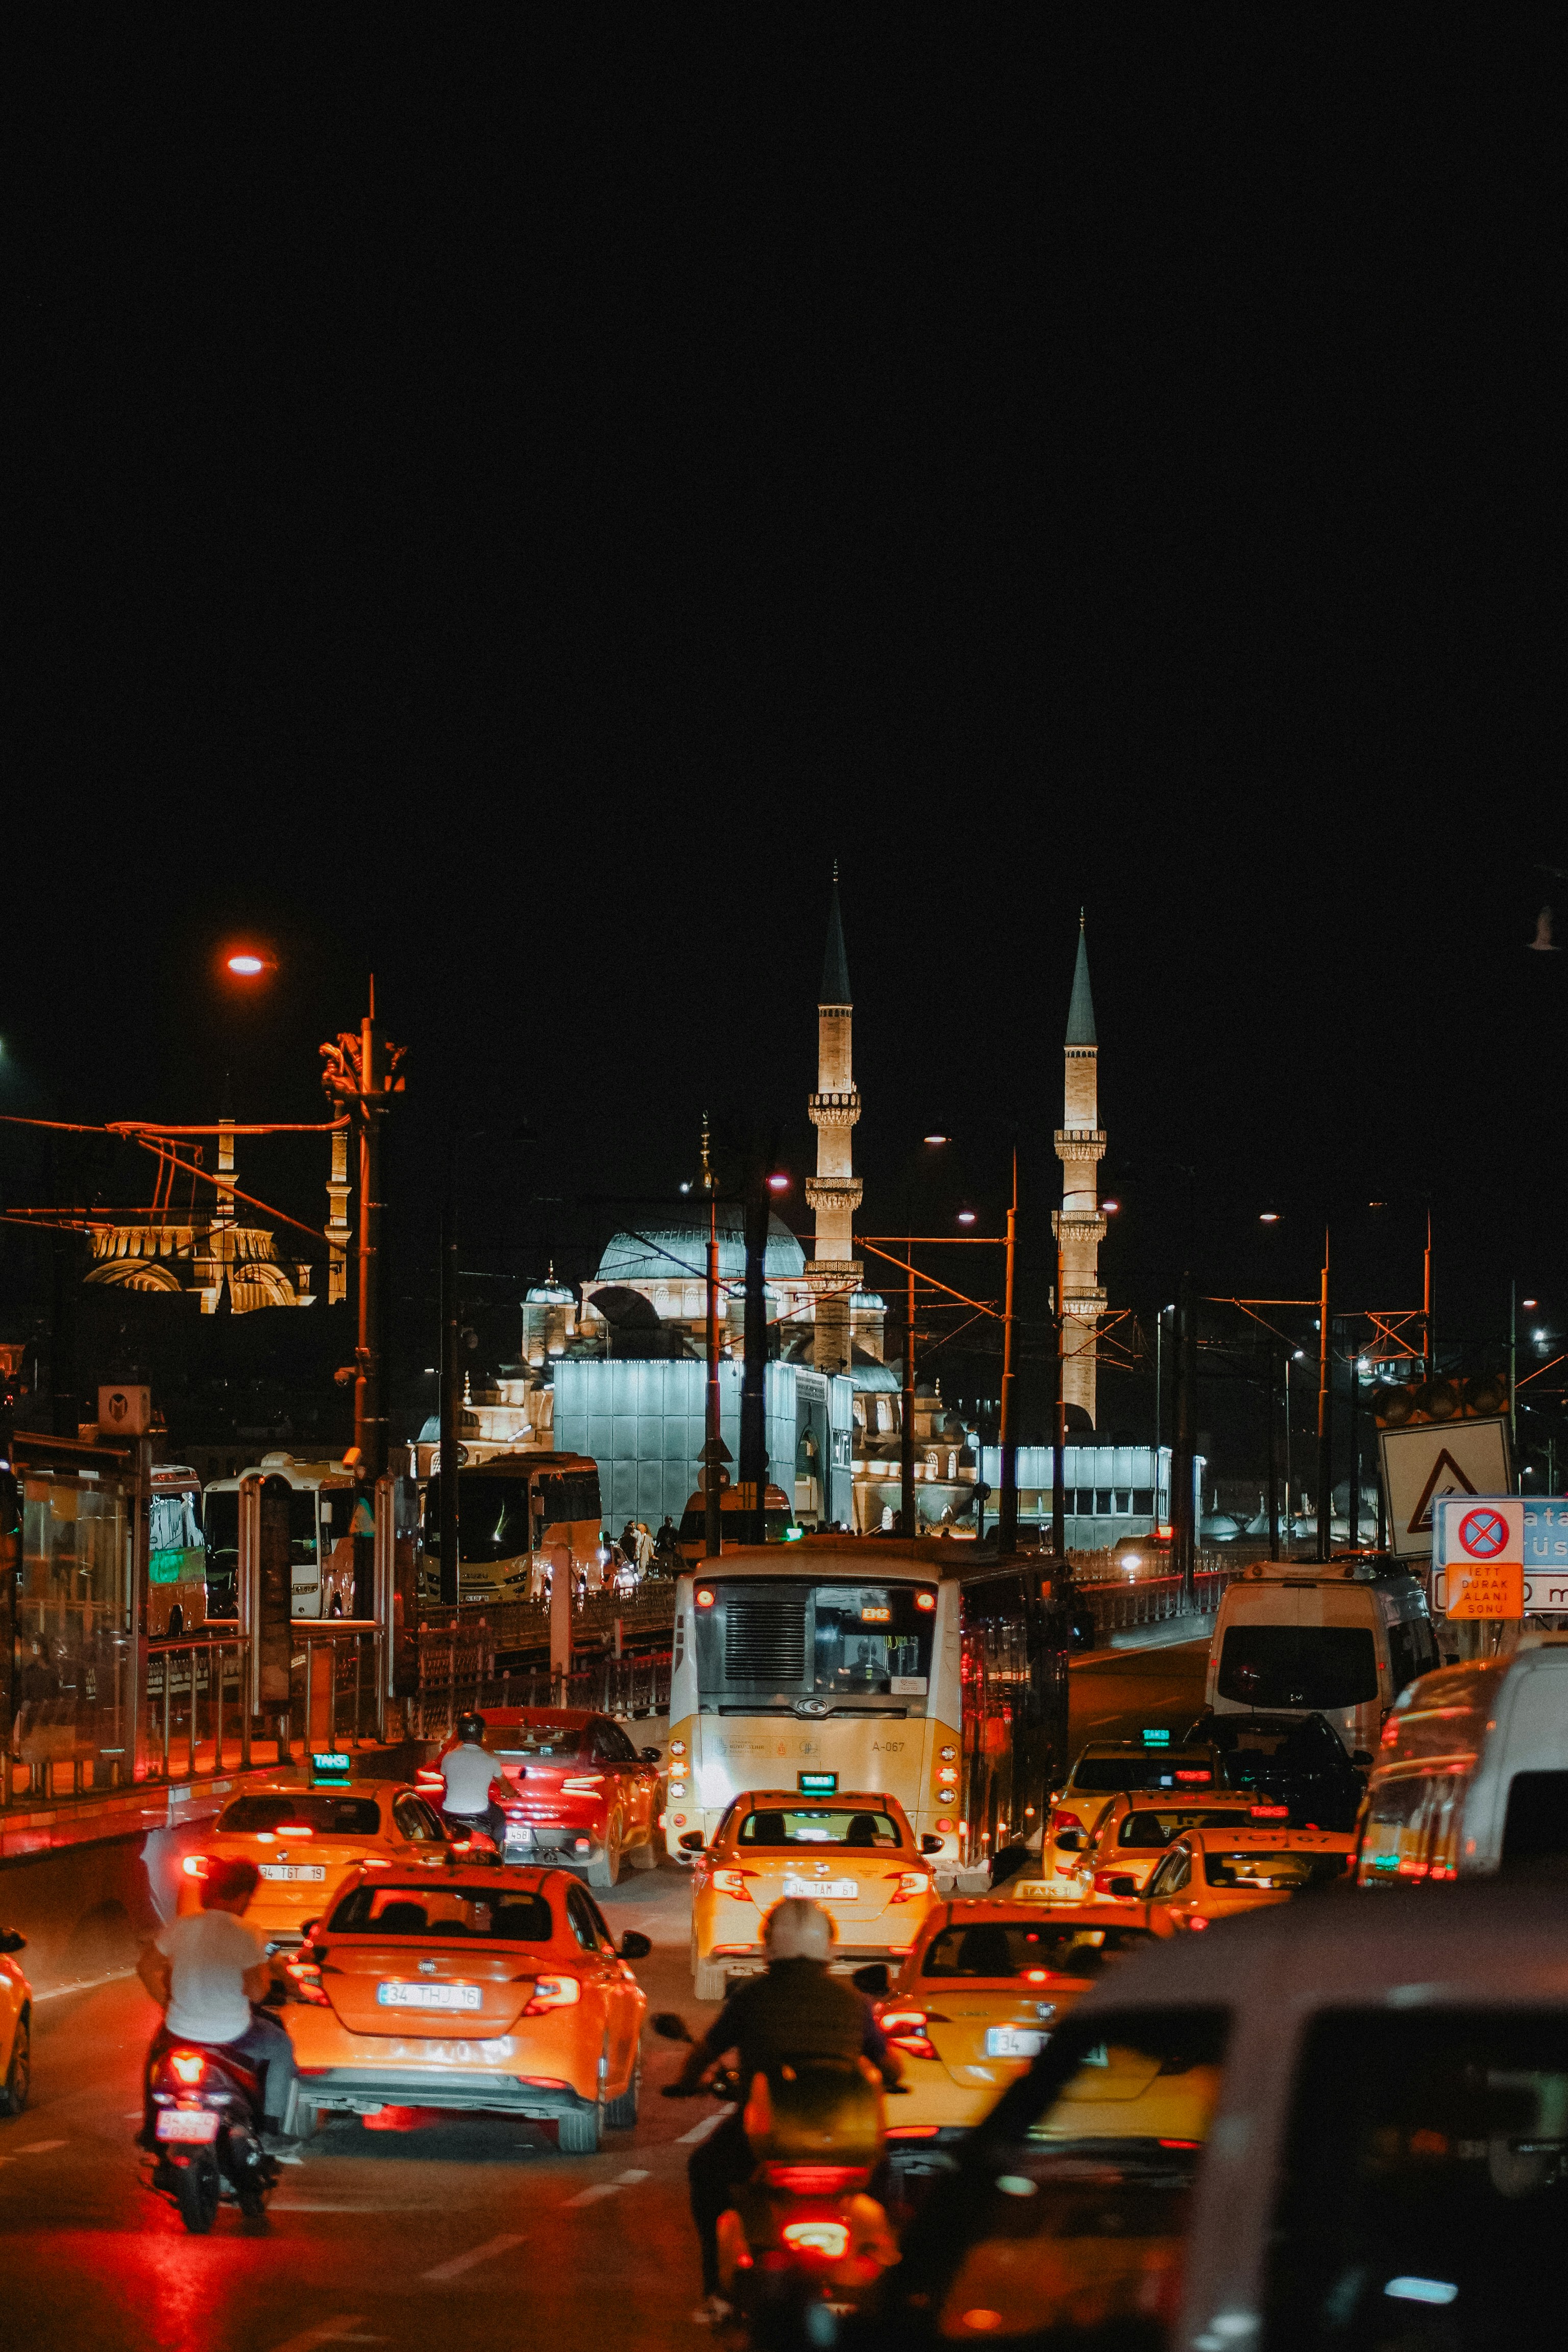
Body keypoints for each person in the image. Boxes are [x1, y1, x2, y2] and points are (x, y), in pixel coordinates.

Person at [664, 1897, 902, 2321]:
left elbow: (706, 2052)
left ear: (768, 1948)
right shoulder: (852, 2001)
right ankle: (891, 2272)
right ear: (829, 1948)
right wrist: (890, 2077)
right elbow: (888, 2063)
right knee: (885, 2178)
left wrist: (686, 2084)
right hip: (845, 2140)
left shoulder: (752, 1997)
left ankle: (717, 2291)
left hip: (766, 2135)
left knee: (706, 2169)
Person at [136, 1855, 298, 2145]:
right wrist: (293, 1987)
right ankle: (271, 2131)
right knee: (280, 2046)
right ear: (242, 1897)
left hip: (180, 2030)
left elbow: (147, 1968)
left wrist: (168, 2004)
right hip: (233, 2034)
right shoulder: (252, 1933)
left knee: (156, 2056)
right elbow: (262, 1987)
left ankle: (151, 2128)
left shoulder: (180, 1926)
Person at [438, 1709, 510, 1847]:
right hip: (481, 1812)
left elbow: (446, 1783)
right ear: (481, 1734)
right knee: (500, 1817)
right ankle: (494, 1847)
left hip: (450, 1812)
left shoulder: (449, 1757)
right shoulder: (490, 1760)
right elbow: (507, 1789)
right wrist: (514, 1794)